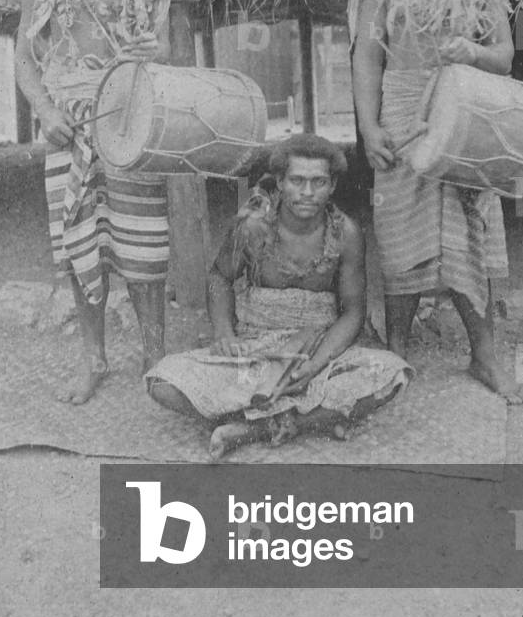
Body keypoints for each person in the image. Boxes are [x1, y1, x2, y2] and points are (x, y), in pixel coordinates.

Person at [349, 0, 523, 404]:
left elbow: (504, 56)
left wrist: (471, 54)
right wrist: (369, 128)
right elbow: (367, 58)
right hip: (403, 114)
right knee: (400, 229)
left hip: (466, 113)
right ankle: (398, 350)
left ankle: (484, 355)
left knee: (472, 229)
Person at [15, 0, 179, 404]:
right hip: (71, 128)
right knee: (83, 244)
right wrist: (46, 111)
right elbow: (23, 59)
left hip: (133, 124)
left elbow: (166, 49)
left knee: (144, 244)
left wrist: (155, 47)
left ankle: (155, 358)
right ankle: (94, 359)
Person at [146, 134, 412, 459]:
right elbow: (219, 277)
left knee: (391, 374)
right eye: (297, 181)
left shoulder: (346, 233)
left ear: (333, 185)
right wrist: (225, 334)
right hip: (254, 351)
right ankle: (313, 419)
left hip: (316, 349)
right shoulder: (253, 227)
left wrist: (313, 367)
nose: (307, 192)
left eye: (319, 182)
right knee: (162, 381)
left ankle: (252, 428)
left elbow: (353, 311)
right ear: (281, 182)